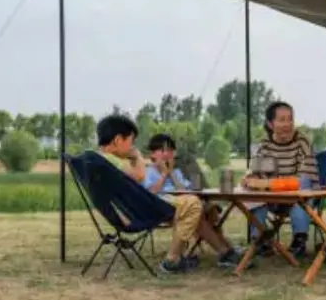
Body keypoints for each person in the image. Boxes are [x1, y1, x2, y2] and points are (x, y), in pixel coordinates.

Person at [95, 115, 242, 273]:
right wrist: (137, 157)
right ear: (118, 140)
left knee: (195, 207)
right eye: (131, 141)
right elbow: (140, 177)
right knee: (192, 204)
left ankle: (224, 251)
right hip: (144, 209)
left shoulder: (99, 160)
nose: (133, 147)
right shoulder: (114, 162)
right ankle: (172, 260)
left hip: (135, 208)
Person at [141, 133, 244, 269]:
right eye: (163, 150)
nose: (167, 154)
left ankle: (225, 250)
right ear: (153, 154)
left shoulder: (176, 172)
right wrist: (164, 174)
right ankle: (224, 251)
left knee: (209, 210)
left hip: (184, 204)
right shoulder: (149, 171)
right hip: (163, 207)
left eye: (171, 151)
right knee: (198, 212)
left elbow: (184, 189)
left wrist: (170, 173)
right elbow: (152, 193)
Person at [249, 101, 317, 258]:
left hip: (300, 195)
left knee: (301, 192)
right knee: (253, 194)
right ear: (270, 124)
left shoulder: (302, 142)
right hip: (273, 198)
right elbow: (258, 175)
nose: (287, 124)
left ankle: (299, 241)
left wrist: (268, 184)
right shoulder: (264, 145)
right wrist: (252, 178)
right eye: (282, 120)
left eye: (290, 119)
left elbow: (304, 179)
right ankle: (259, 240)